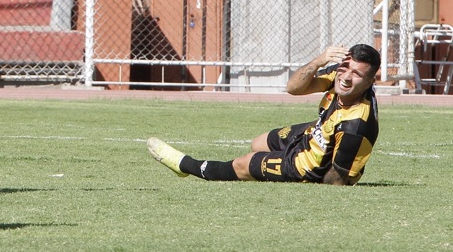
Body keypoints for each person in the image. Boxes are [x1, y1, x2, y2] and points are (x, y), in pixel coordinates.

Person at [148, 44, 381, 186]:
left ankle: (185, 165)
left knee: (243, 164)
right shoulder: (339, 75)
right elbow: (294, 88)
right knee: (257, 143)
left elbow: (336, 182)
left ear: (370, 82)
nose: (346, 77)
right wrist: (320, 60)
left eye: (357, 74)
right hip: (313, 134)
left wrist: (332, 176)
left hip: (306, 165)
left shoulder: (356, 126)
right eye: (345, 67)